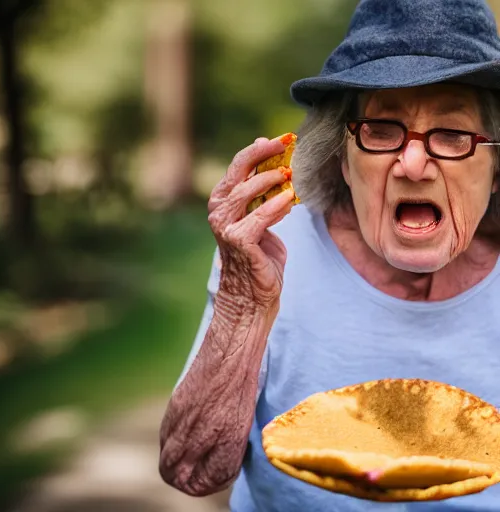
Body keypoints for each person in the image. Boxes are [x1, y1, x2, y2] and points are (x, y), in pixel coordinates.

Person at [159, 0, 500, 510]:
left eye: (451, 134)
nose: (412, 164)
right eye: (381, 130)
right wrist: (244, 305)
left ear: (496, 168)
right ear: (343, 160)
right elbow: (192, 469)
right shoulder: (275, 249)